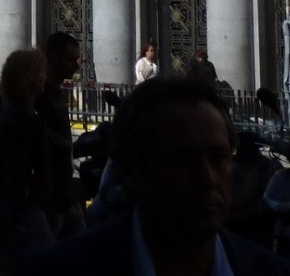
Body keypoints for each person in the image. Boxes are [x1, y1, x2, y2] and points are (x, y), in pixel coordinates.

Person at [16, 76, 290, 276]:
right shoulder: (52, 271)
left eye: (218, 157)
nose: (206, 178)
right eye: (182, 159)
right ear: (131, 169)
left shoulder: (270, 270)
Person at [0, 48, 54, 272]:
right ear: (30, 76)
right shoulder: (20, 115)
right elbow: (17, 166)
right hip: (19, 206)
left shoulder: (16, 108)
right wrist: (18, 216)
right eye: (41, 72)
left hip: (10, 202)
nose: (45, 76)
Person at [36, 29, 84, 238]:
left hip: (57, 196)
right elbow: (47, 156)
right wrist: (64, 203)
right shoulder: (42, 99)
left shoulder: (55, 94)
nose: (76, 65)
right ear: (53, 58)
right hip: (50, 198)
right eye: (71, 59)